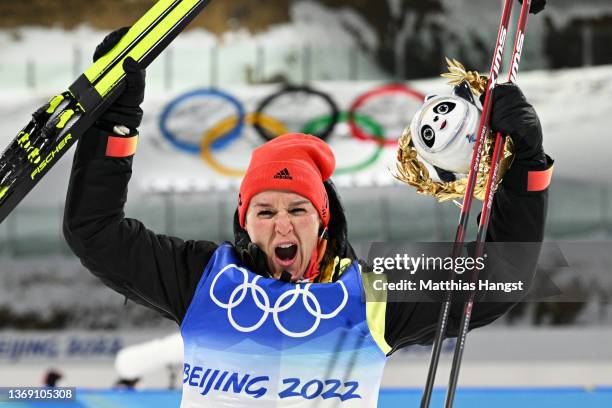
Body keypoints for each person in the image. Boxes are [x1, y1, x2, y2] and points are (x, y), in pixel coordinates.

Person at [63, 29, 554, 407]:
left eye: (298, 209)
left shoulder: (372, 293)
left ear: (322, 220)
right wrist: (115, 121)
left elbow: (504, 275)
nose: (282, 225)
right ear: (244, 220)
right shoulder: (203, 279)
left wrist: (526, 168)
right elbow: (96, 232)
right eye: (265, 210)